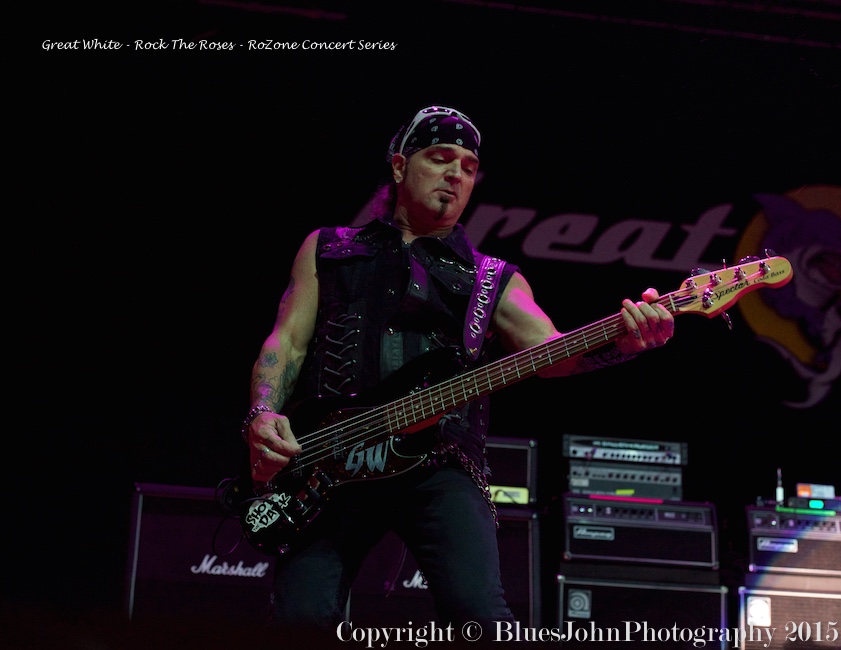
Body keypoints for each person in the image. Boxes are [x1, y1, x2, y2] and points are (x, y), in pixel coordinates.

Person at [239, 105, 674, 645]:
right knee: (300, 621)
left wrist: (623, 343)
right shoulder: (328, 249)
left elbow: (552, 352)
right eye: (441, 159)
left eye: (468, 167)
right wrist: (262, 413)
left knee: (481, 619)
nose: (456, 175)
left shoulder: (493, 279)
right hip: (326, 463)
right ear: (400, 167)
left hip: (439, 464)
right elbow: (287, 340)